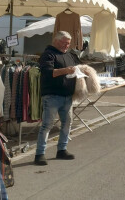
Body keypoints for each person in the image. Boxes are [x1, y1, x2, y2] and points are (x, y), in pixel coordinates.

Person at [35, 30, 80, 165]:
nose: (67, 45)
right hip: (52, 96)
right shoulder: (48, 54)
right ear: (56, 41)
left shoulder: (70, 55)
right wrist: (66, 70)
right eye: (65, 43)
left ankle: (62, 149)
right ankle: (39, 154)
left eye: (68, 43)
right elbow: (48, 73)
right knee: (47, 125)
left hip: (67, 96)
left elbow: (78, 67)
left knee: (67, 123)